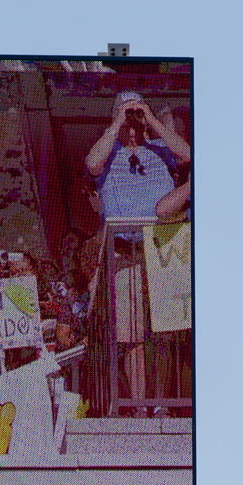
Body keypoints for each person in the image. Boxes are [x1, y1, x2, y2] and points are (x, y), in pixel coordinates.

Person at [84, 91, 191, 401]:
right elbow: (91, 163)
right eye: (124, 112)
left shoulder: (161, 149)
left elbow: (188, 155)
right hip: (125, 252)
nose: (132, 119)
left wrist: (151, 119)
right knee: (132, 336)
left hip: (162, 251)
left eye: (135, 111)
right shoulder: (108, 151)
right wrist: (117, 121)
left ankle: (161, 403)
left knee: (164, 332)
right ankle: (141, 404)